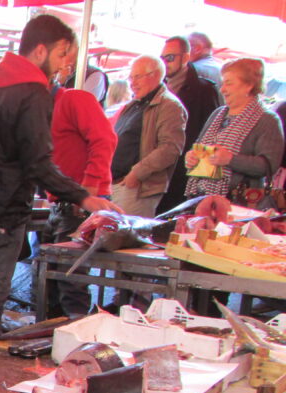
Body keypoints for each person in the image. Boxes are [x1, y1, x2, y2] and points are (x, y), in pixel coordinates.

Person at [0, 14, 118, 343]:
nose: (61, 68)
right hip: (2, 209)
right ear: (41, 51)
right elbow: (37, 163)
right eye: (61, 57)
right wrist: (82, 196)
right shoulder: (33, 91)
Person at [43, 44, 118, 317]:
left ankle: (74, 342)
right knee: (50, 279)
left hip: (80, 203)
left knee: (70, 279)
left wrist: (87, 191)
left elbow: (105, 139)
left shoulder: (74, 99)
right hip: (60, 203)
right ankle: (51, 338)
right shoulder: (39, 110)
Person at [185, 58, 284, 204]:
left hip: (238, 204)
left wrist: (230, 159)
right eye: (223, 82)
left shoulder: (267, 120)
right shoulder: (218, 113)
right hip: (200, 199)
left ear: (248, 85)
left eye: (229, 83)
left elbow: (269, 166)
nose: (222, 88)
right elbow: (199, 144)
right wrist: (191, 157)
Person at [109, 55, 186, 217]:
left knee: (123, 238)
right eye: (131, 77)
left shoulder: (170, 105)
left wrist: (136, 173)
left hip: (136, 187)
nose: (132, 82)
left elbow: (170, 148)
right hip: (115, 183)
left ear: (155, 75)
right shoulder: (136, 103)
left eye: (137, 77)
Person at [157, 35, 222, 211]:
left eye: (170, 57)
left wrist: (198, 189)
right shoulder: (158, 88)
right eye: (162, 58)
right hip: (157, 175)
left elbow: (211, 136)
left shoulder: (205, 90)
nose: (165, 62)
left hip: (183, 176)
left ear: (185, 57)